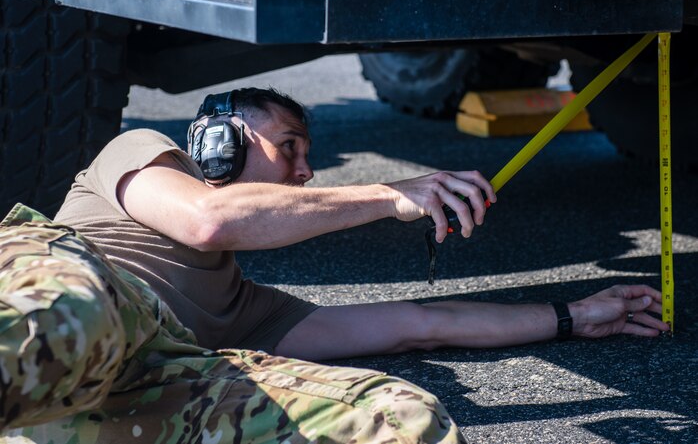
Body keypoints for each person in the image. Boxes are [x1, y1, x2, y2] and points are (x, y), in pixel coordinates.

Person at [0, 88, 668, 443]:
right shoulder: (142, 155)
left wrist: (574, 315)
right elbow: (210, 219)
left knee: (400, 417)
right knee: (68, 318)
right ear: (216, 140)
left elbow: (420, 323)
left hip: (121, 386)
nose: (305, 170)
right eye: (289, 146)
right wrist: (388, 194)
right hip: (60, 292)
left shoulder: (248, 310)